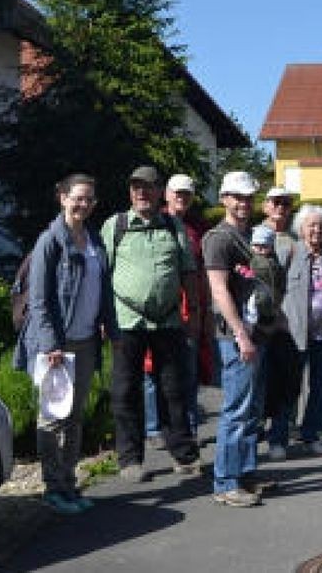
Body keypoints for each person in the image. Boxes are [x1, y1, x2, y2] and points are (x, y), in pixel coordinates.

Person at [18, 174, 118, 514]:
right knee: (52, 418)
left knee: (75, 418)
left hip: (87, 340)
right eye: (77, 198)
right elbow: (40, 300)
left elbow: (103, 291)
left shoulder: (93, 240)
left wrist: (111, 330)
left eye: (89, 199)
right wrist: (50, 345)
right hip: (57, 346)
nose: (83, 204)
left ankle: (70, 484)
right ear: (62, 197)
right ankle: (53, 488)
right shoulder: (50, 241)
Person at [102, 166, 199, 483]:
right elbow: (101, 276)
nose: (141, 192)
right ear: (130, 191)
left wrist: (195, 314)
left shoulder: (173, 227)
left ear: (160, 192)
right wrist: (102, 318)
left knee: (174, 389)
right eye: (136, 187)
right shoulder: (114, 226)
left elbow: (188, 273)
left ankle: (183, 453)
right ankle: (130, 459)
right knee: (125, 390)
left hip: (168, 321)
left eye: (148, 187)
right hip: (126, 322)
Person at [203, 170, 266, 507]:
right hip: (235, 337)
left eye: (248, 196)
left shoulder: (251, 235)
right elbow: (218, 290)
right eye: (237, 197)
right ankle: (226, 482)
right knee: (237, 410)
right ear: (224, 198)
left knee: (252, 409)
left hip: (256, 334)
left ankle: (245, 473)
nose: (244, 202)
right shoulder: (219, 238)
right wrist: (241, 333)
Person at [270, 204, 322, 457]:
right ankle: (278, 440)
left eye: (320, 225)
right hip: (292, 334)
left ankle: (312, 435)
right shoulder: (288, 251)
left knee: (320, 387)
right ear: (301, 229)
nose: (316, 229)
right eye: (311, 225)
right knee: (288, 388)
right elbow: (272, 287)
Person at [144, 174, 213, 446]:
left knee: (189, 370)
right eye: (177, 193)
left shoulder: (199, 227)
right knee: (153, 370)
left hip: (191, 308)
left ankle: (189, 428)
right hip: (159, 308)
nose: (182, 198)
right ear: (166, 195)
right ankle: (153, 428)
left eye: (186, 194)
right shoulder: (154, 221)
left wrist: (203, 311)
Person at [258, 186, 300, 459]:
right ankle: (254, 436)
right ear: (265, 206)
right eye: (275, 202)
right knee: (259, 383)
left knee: (286, 382)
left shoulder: (297, 239)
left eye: (285, 203)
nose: (280, 207)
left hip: (288, 325)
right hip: (258, 325)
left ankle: (279, 438)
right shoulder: (253, 236)